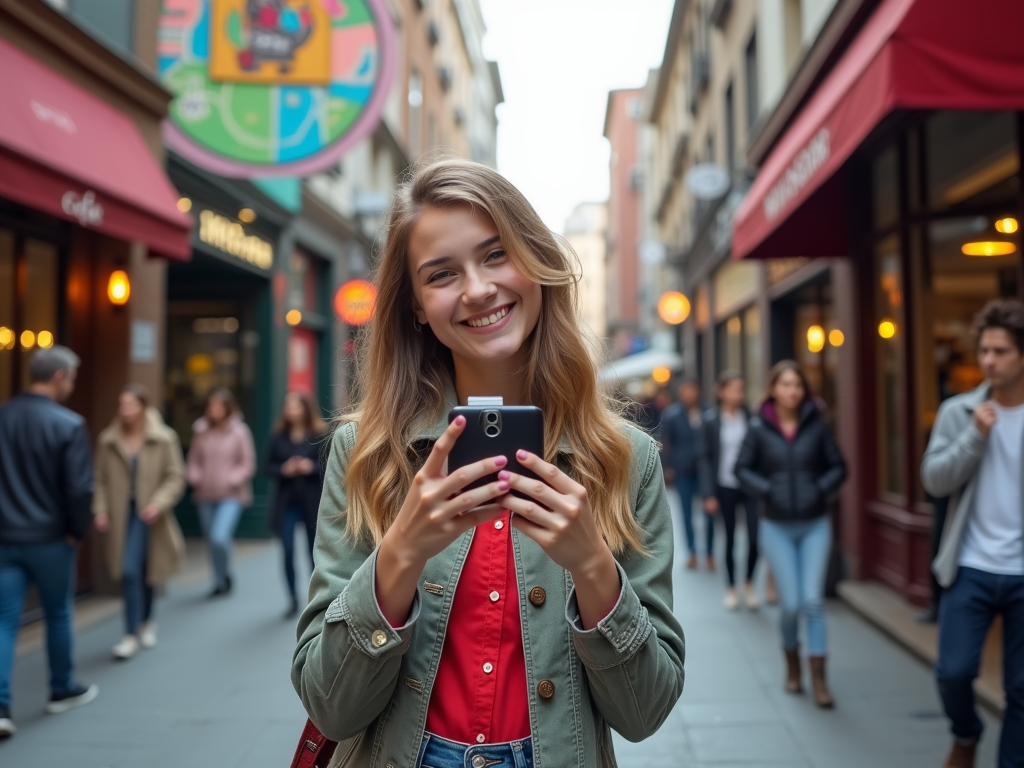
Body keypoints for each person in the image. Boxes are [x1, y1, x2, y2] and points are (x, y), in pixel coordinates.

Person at [292, 159, 685, 768]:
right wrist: (400, 554)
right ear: (418, 305)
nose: (476, 289)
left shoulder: (624, 460)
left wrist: (592, 566)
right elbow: (329, 705)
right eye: (442, 274)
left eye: (497, 254)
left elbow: (646, 712)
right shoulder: (369, 455)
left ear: (535, 263)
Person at [922, 299, 1024, 768]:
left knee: (1021, 689)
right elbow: (934, 480)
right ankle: (966, 734)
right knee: (954, 673)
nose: (988, 360)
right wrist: (975, 438)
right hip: (971, 564)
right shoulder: (959, 412)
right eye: (984, 349)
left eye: (1000, 351)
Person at [735, 360, 846, 708]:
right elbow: (741, 469)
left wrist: (819, 488)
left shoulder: (818, 425)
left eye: (797, 385)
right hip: (776, 525)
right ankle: (793, 667)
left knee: (812, 601)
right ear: (774, 389)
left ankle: (819, 680)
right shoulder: (758, 427)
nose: (792, 391)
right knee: (790, 605)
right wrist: (767, 489)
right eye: (785, 385)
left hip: (815, 524)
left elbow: (840, 467)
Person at [0, 347, 98, 738]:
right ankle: (61, 688)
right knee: (58, 613)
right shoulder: (69, 424)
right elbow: (79, 490)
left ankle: (2, 706)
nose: (72, 386)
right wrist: (79, 531)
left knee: (5, 621)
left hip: (5, 538)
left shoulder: (2, 416)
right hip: (52, 539)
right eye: (72, 378)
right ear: (59, 377)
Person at [93, 384, 186, 660]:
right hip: (122, 516)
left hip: (149, 515)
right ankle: (136, 630)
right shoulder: (108, 440)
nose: (125, 410)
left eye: (130, 404)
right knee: (132, 570)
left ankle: (138, 628)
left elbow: (175, 476)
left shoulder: (163, 438)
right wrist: (100, 510)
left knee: (143, 570)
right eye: (121, 404)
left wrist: (158, 504)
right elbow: (99, 479)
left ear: (143, 407)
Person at [186, 388, 256, 598]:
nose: (213, 409)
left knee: (219, 537)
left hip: (230, 495)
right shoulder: (201, 431)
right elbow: (193, 460)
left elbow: (248, 463)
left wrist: (232, 478)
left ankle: (225, 572)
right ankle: (219, 580)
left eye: (218, 405)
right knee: (212, 541)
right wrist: (194, 475)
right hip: (205, 495)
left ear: (227, 408)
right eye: (211, 405)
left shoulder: (239, 431)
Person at [699, 370, 758, 611]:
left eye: (741, 389)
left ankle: (749, 583)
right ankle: (732, 587)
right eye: (733, 388)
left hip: (749, 486)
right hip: (724, 486)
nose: (738, 393)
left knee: (755, 540)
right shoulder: (711, 420)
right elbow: (704, 458)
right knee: (731, 538)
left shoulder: (751, 418)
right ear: (721, 392)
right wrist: (708, 494)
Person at [265, 391, 326, 618]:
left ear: (305, 409)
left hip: (312, 501)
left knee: (314, 551)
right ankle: (291, 597)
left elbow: (330, 467)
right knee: (288, 549)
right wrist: (284, 469)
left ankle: (316, 597)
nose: (290, 411)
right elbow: (267, 467)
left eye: (295, 406)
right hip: (287, 502)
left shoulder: (319, 434)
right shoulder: (278, 435)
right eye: (287, 407)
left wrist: (310, 467)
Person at [662, 378, 714, 570]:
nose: (689, 394)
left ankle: (709, 552)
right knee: (686, 512)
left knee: (710, 512)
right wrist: (669, 467)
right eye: (685, 390)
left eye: (692, 389)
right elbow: (666, 443)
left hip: (705, 470)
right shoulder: (672, 415)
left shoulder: (708, 412)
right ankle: (692, 551)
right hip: (683, 469)